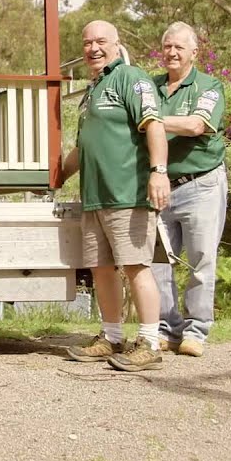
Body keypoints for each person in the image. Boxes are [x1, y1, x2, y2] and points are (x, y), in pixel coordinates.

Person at [59, 20, 170, 372]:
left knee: (136, 267)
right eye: (87, 41)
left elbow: (154, 125)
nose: (93, 48)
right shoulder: (93, 89)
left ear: (116, 43)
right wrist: (57, 176)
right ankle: (111, 337)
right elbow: (81, 147)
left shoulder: (131, 78)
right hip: (95, 197)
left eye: (101, 41)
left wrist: (159, 172)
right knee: (101, 269)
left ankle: (150, 342)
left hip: (128, 195)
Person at [151, 22, 228, 358]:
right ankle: (168, 329)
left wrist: (148, 119)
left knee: (201, 260)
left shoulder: (209, 87)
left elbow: (197, 125)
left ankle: (196, 331)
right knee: (156, 262)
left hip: (201, 185)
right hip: (160, 185)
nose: (172, 52)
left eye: (179, 47)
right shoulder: (150, 87)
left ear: (194, 53)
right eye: (167, 46)